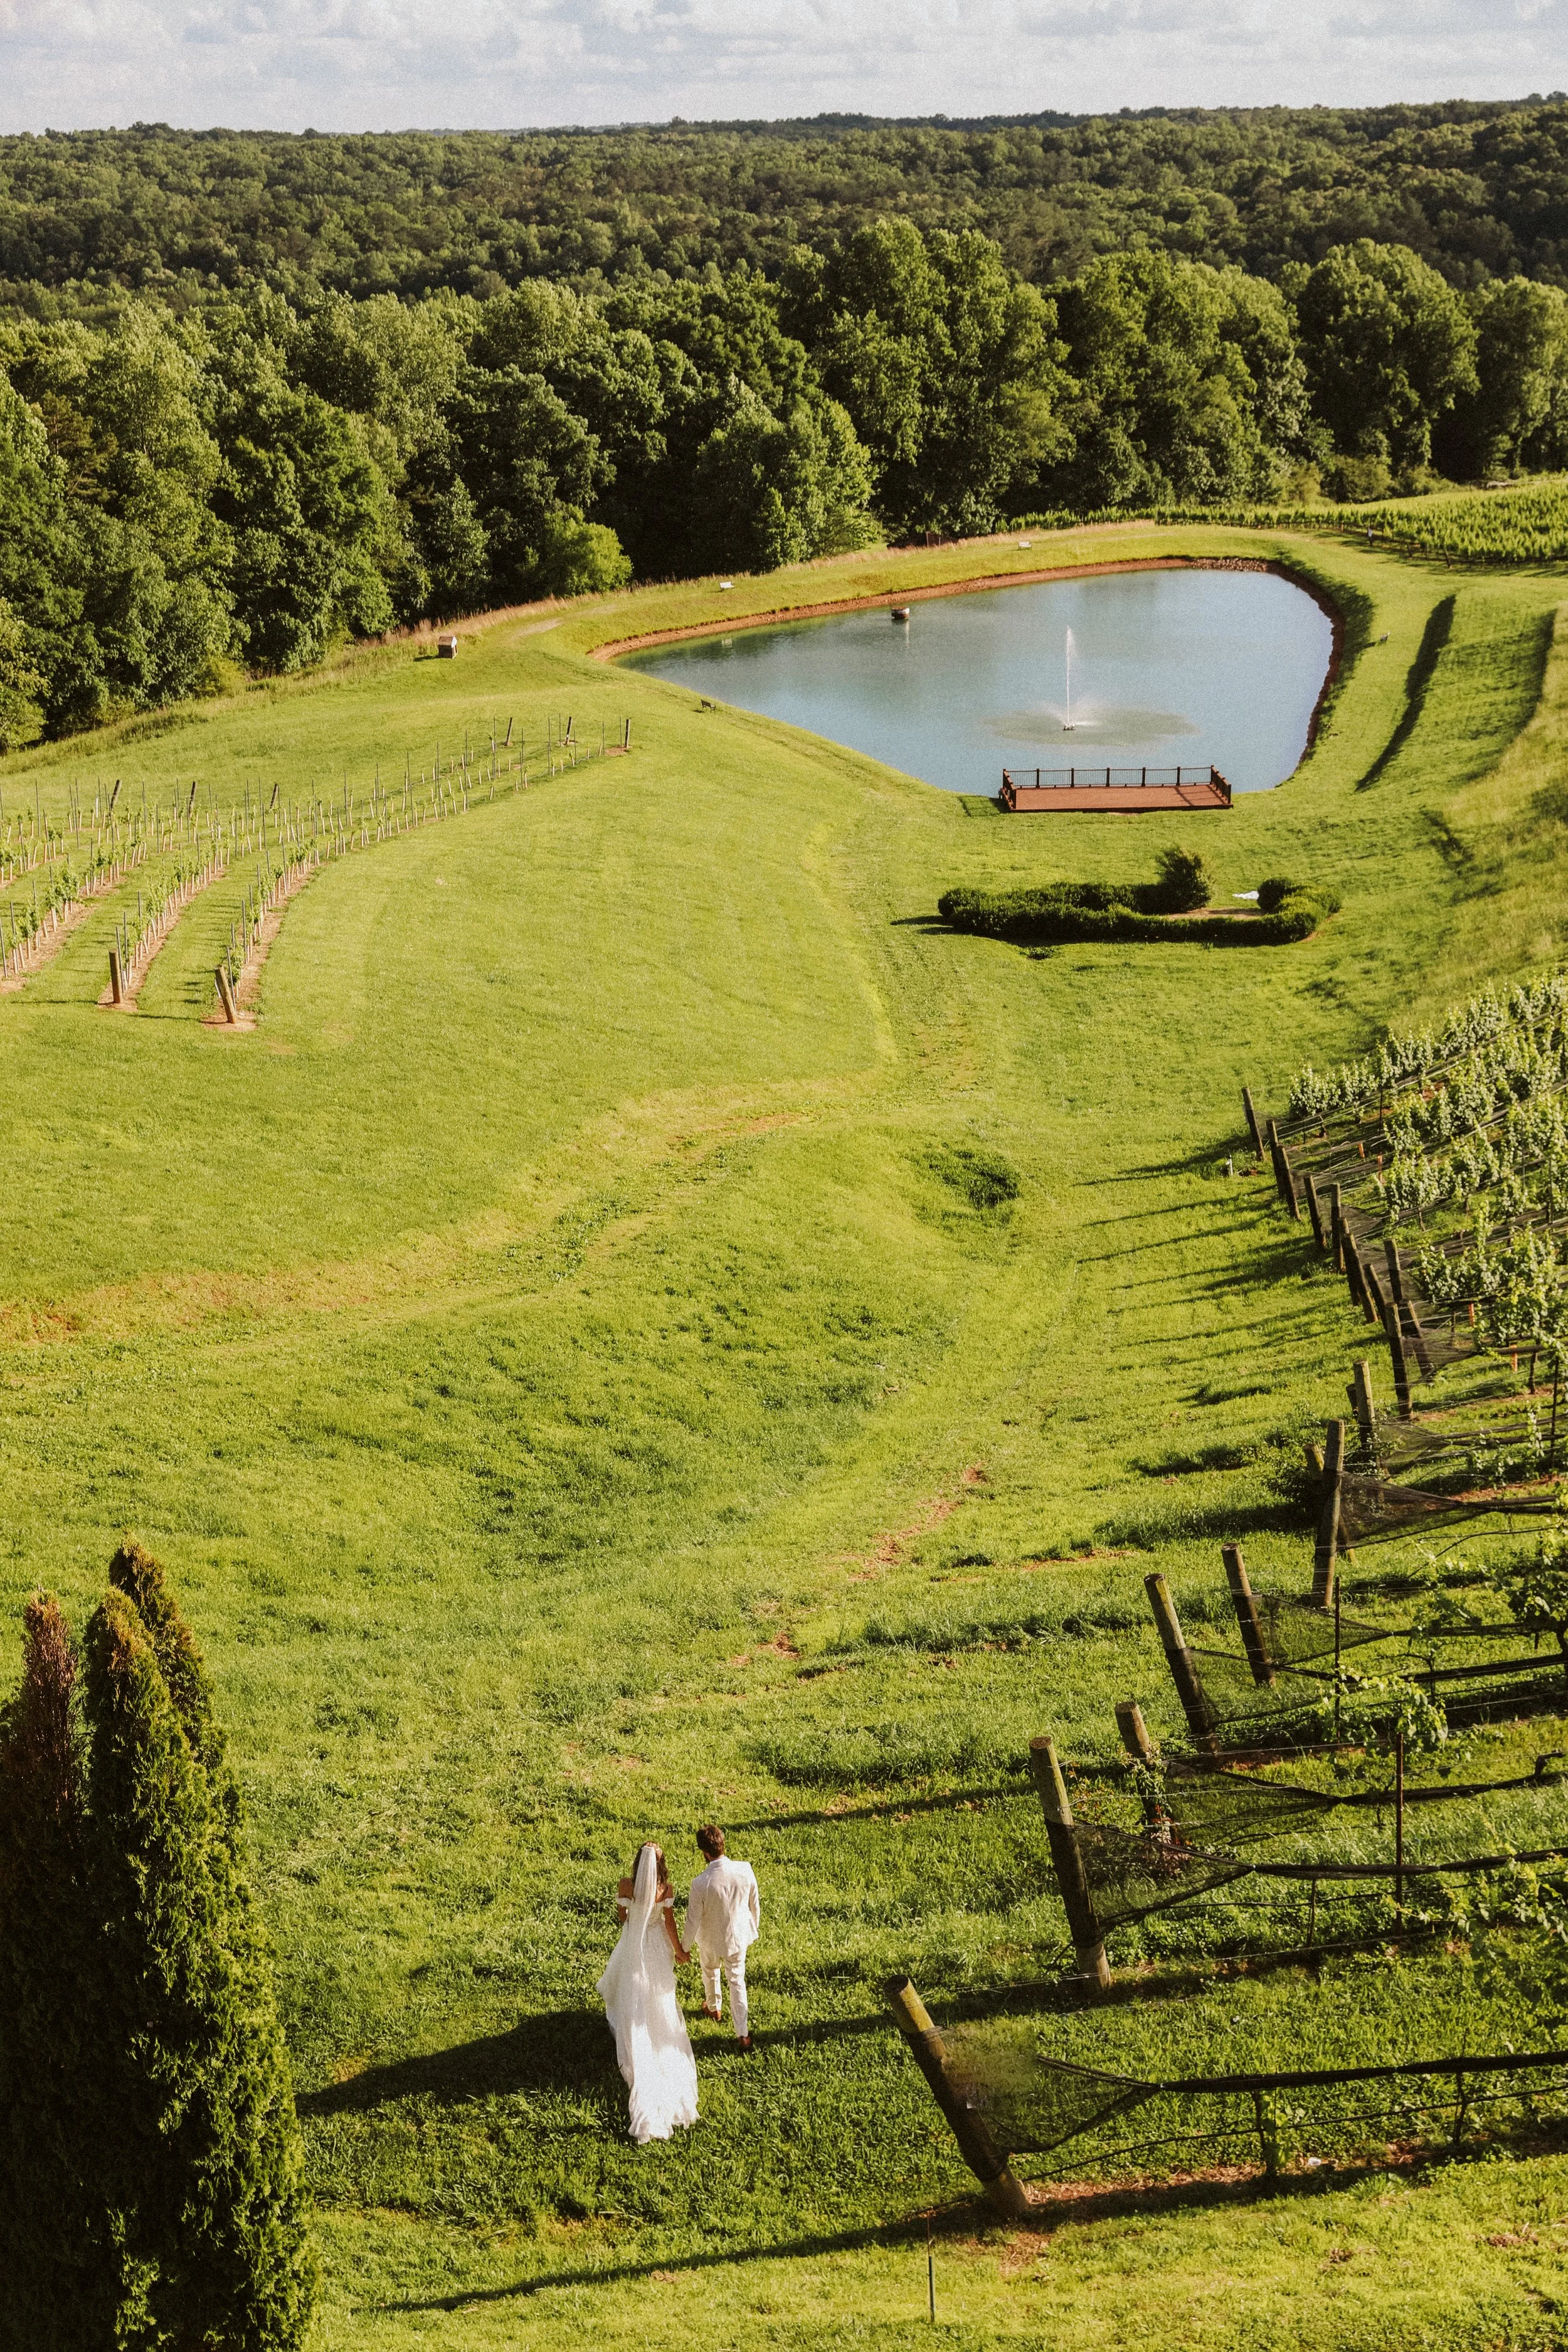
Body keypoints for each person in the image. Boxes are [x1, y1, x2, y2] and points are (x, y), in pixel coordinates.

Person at [596, 1841, 700, 2144]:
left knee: (632, 1988)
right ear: (660, 1864)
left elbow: (622, 1916)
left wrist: (634, 1928)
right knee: (658, 1994)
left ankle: (631, 2026)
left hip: (634, 1944)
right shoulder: (664, 1889)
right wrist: (679, 1951)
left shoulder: (626, 1884)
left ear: (638, 1862)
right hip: (655, 1945)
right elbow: (668, 1923)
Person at [685, 1825, 761, 2052]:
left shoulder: (700, 1883)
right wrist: (752, 1928)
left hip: (709, 1938)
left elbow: (692, 1920)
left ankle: (714, 2007)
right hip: (738, 1936)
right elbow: (754, 1903)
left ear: (705, 1853)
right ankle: (743, 2034)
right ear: (723, 1844)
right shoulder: (745, 1869)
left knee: (710, 1971)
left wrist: (684, 1948)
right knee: (737, 1980)